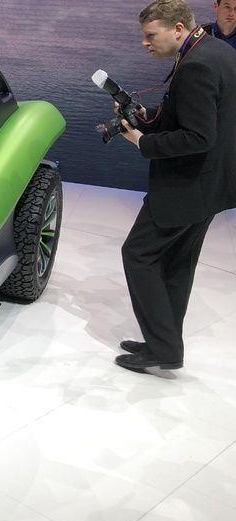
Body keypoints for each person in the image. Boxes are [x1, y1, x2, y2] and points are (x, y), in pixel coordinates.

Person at [115, 0, 236, 373]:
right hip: (212, 183)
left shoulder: (197, 65)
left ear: (178, 29)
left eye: (151, 36)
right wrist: (151, 116)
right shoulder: (216, 50)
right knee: (178, 263)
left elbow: (198, 136)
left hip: (187, 184)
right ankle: (163, 344)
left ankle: (163, 347)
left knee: (138, 255)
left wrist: (142, 141)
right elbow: (202, 114)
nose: (145, 43)